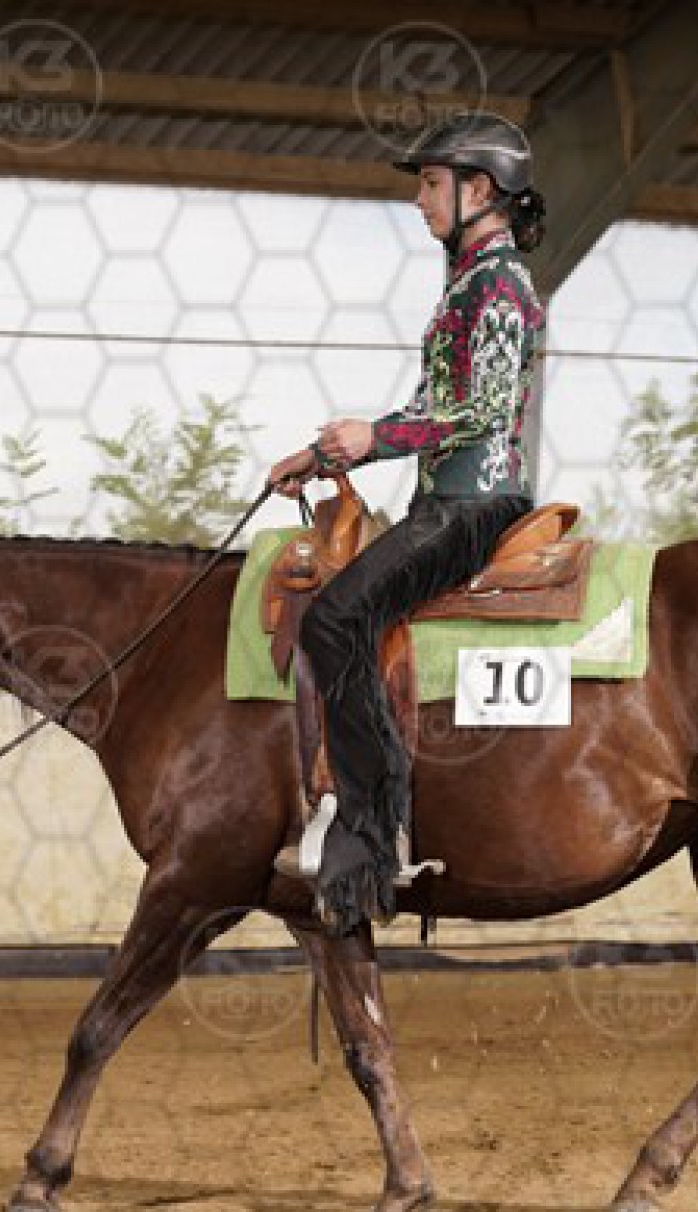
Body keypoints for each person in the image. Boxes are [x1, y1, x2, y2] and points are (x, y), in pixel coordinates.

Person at [266, 112, 548, 936]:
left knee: (336, 619)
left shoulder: (500, 285)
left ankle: (371, 825)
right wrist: (327, 454)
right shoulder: (467, 283)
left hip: (475, 505)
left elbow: (483, 410)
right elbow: (432, 405)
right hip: (444, 500)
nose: (419, 199)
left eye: (430, 183)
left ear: (480, 190)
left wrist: (375, 439)